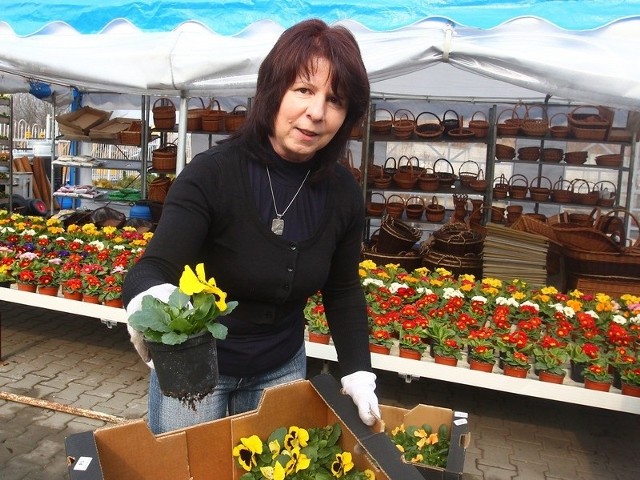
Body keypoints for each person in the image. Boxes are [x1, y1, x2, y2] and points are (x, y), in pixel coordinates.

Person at [123, 18, 379, 435]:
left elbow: (343, 288)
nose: (316, 113)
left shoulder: (342, 192)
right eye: (304, 90)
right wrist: (148, 301)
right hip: (197, 370)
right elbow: (153, 267)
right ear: (273, 91)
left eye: (335, 100)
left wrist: (357, 371)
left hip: (281, 367)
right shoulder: (213, 175)